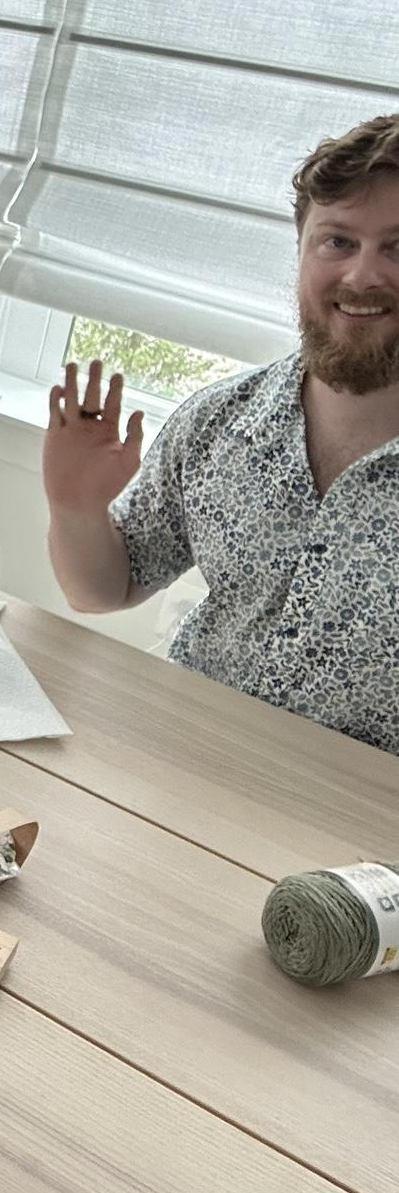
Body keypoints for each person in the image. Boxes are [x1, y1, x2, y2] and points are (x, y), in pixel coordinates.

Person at [44, 114, 399, 754]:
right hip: (179, 755)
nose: (362, 276)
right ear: (301, 251)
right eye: (338, 242)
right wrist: (75, 508)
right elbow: (101, 590)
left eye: (397, 247)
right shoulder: (218, 420)